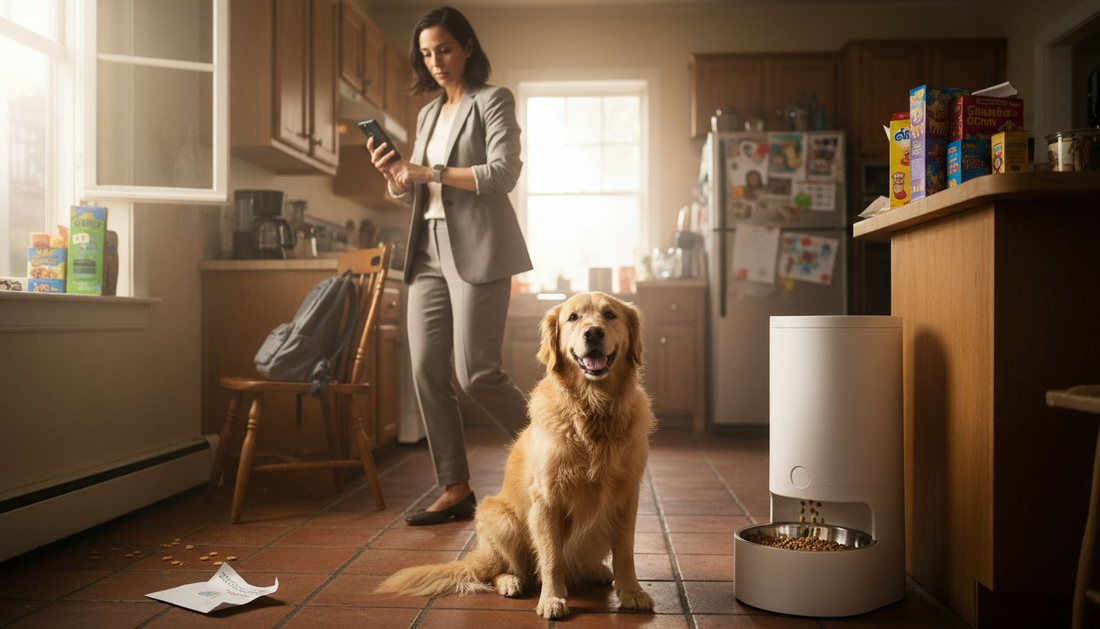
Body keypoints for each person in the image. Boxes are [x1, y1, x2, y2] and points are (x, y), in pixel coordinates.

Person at [367, 6, 532, 526]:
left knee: (476, 373)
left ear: (466, 48)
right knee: (424, 371)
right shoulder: (427, 115)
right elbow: (421, 190)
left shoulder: (492, 100)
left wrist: (429, 169)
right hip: (428, 249)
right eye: (426, 53)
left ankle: (561, 449)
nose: (435, 61)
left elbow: (503, 173)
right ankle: (454, 486)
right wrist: (398, 179)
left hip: (479, 246)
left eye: (444, 49)